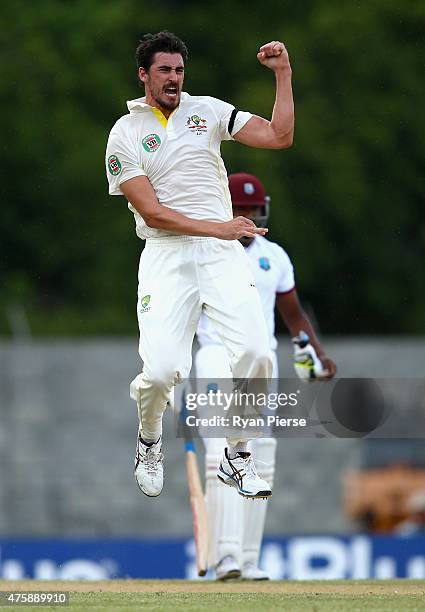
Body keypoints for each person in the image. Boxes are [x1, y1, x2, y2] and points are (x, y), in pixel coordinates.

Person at [105, 31, 294, 499]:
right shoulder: (124, 133)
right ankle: (149, 439)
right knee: (164, 369)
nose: (174, 79)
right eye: (164, 70)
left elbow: (278, 135)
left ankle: (238, 453)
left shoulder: (206, 111)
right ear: (143, 75)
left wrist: (283, 75)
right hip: (167, 255)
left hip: (219, 256)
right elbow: (152, 212)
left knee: (258, 352)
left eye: (179, 70)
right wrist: (221, 227)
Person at [195, 172, 337, 580]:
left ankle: (249, 558)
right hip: (216, 356)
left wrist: (319, 354)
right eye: (239, 208)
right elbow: (183, 313)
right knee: (219, 453)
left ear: (263, 210)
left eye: (252, 210)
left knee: (260, 452)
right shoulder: (204, 249)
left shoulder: (274, 256)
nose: (246, 216)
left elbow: (293, 315)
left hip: (261, 364)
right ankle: (226, 558)